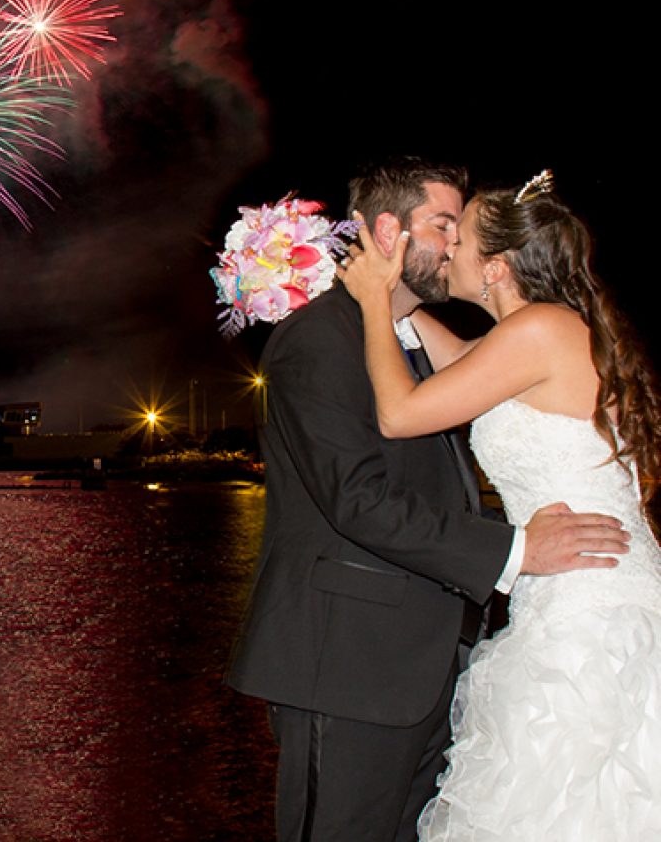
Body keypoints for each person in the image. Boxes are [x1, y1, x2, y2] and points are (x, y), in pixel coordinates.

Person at [224, 157, 631, 842]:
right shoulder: (321, 339)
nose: (455, 245)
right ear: (389, 233)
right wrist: (519, 548)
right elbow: (357, 500)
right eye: (444, 224)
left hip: (426, 671)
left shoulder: (407, 341)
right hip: (349, 667)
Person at [337, 169, 661, 839]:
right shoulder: (532, 335)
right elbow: (455, 353)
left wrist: (373, 301)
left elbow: (400, 414)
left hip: (590, 621)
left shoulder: (540, 329)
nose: (448, 247)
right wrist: (392, 286)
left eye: (461, 237)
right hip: (572, 600)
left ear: (498, 267)